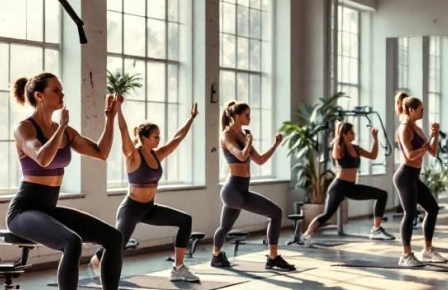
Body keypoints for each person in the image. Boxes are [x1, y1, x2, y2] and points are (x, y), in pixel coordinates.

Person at [6, 73, 123, 290]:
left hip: (48, 209)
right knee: (72, 242)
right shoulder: (24, 128)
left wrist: (110, 118)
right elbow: (42, 158)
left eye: (61, 89)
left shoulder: (67, 132)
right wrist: (61, 127)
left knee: (114, 238)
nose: (62, 94)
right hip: (23, 211)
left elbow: (101, 152)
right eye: (56, 90)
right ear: (40, 96)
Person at [89, 100, 201, 282]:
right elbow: (124, 131)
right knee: (119, 243)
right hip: (131, 208)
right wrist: (118, 111)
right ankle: (97, 261)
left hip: (149, 208)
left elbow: (177, 138)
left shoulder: (157, 155)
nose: (159, 140)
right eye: (156, 136)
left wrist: (191, 118)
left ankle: (178, 268)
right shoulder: (133, 155)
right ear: (145, 137)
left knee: (185, 220)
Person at [211, 100, 296, 271]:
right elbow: (241, 156)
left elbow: (260, 160)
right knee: (276, 213)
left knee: (225, 227)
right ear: (236, 116)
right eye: (246, 115)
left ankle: (216, 256)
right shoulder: (227, 135)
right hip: (233, 190)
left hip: (241, 189)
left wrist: (275, 145)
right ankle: (273, 258)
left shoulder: (244, 135)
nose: (250, 118)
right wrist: (249, 142)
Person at [300, 122, 396, 245]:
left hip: (351, 187)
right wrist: (338, 135)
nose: (354, 134)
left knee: (382, 195)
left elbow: (373, 155)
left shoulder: (355, 148)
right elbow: (335, 154)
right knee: (327, 214)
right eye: (351, 132)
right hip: (338, 187)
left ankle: (376, 229)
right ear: (344, 134)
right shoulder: (339, 148)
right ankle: (307, 234)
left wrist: (375, 139)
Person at [393, 92, 447, 267]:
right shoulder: (404, 129)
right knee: (410, 213)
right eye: (421, 109)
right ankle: (406, 255)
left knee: (432, 208)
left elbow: (433, 152)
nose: (423, 112)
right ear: (411, 110)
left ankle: (428, 250)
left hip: (414, 176)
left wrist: (435, 134)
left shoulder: (417, 128)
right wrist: (425, 146)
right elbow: (409, 155)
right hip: (405, 175)